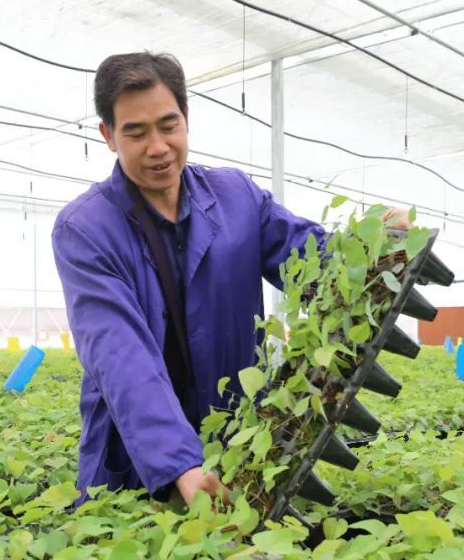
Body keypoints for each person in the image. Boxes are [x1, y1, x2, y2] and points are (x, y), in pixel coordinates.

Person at [52, 51, 403, 507]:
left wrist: (371, 243)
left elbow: (312, 261)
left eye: (168, 125)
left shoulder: (235, 197)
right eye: (135, 133)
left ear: (186, 119)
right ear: (108, 135)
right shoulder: (86, 229)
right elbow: (119, 353)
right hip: (136, 460)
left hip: (235, 443)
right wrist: (178, 463)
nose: (157, 146)